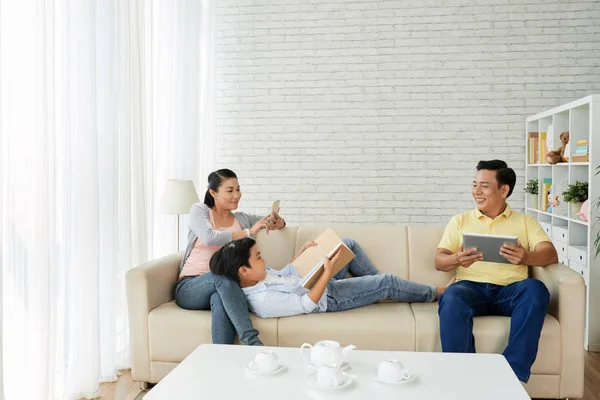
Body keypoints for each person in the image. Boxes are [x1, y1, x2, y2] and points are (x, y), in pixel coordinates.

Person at [435, 160, 558, 383]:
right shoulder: (460, 221)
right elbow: (439, 261)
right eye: (474, 185)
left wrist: (526, 257)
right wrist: (457, 259)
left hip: (510, 292)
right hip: (470, 289)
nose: (476, 192)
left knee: (536, 289)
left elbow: (550, 253)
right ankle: (462, 376)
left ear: (504, 190)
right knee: (451, 296)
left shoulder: (525, 222)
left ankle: (511, 375)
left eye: (484, 186)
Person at [209, 237, 451, 319]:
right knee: (386, 281)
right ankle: (437, 292)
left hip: (312, 280)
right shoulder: (263, 301)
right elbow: (307, 305)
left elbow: (287, 275)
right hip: (327, 298)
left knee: (346, 245)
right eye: (258, 257)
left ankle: (383, 291)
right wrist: (326, 272)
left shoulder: (259, 276)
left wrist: (302, 254)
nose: (263, 259)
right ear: (243, 271)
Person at [175, 168, 286, 346]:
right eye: (230, 190)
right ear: (213, 192)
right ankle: (253, 343)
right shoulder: (200, 210)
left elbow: (265, 221)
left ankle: (221, 356)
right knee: (222, 279)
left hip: (223, 287)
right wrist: (248, 232)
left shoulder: (241, 219)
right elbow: (209, 237)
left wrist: (279, 222)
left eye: (238, 189)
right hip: (191, 286)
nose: (236, 195)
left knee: (221, 296)